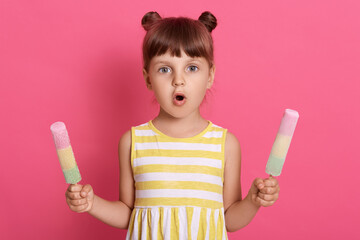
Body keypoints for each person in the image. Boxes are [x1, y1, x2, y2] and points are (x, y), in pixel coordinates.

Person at [65, 11, 280, 239]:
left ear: (210, 76)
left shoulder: (225, 144)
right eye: (165, 69)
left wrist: (253, 201)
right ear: (148, 78)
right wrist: (91, 203)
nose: (179, 80)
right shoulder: (133, 142)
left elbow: (228, 219)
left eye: (192, 68)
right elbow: (129, 213)